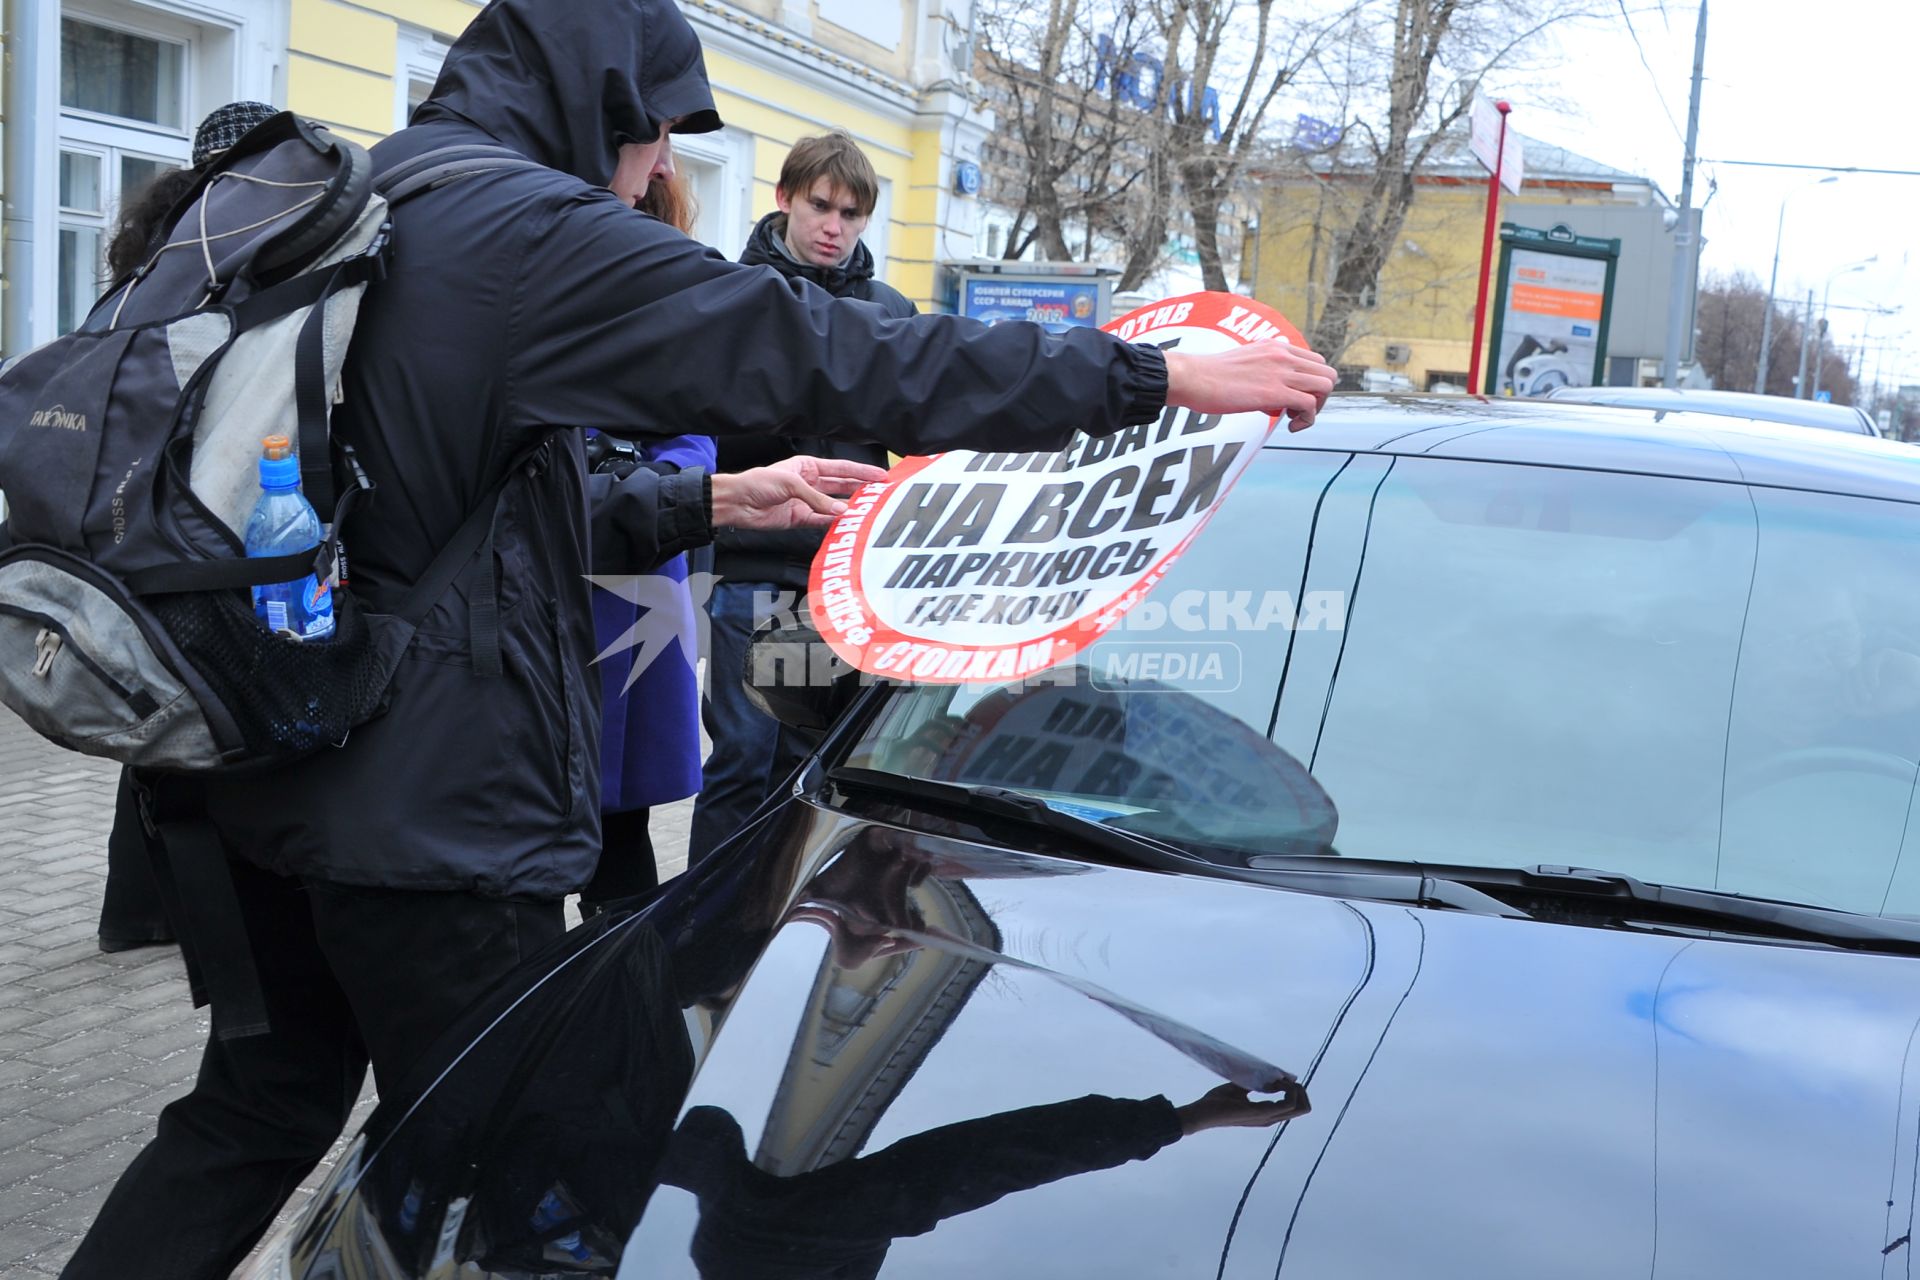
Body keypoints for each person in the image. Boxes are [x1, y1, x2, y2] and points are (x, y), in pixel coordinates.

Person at [58, 1, 1336, 1274]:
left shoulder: (375, 192)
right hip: (423, 824)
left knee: (252, 1111)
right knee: (524, 1171)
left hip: (237, 765)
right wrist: (1143, 379)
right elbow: (835, 350)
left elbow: (431, 500)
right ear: (607, 106)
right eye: (658, 133)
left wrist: (713, 498)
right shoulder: (535, 230)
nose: (660, 167)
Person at [688, 131, 911, 867]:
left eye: (851, 213)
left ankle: (784, 915)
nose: (834, 226)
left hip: (845, 579)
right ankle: (703, 927)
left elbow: (919, 420)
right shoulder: (731, 293)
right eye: (820, 205)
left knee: (811, 767)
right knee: (742, 758)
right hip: (751, 564)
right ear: (784, 198)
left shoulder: (888, 308)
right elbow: (699, 422)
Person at [94, 100, 281, 955]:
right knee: (207, 717)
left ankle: (137, 912)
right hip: (207, 516)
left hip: (135, 516)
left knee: (160, 718)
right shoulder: (245, 251)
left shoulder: (153, 256)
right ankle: (201, 918)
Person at [582, 173, 713, 915]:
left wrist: (634, 475)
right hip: (534, 581)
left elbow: (694, 443)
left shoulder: (668, 308)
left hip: (632, 583)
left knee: (621, 829)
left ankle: (621, 994)